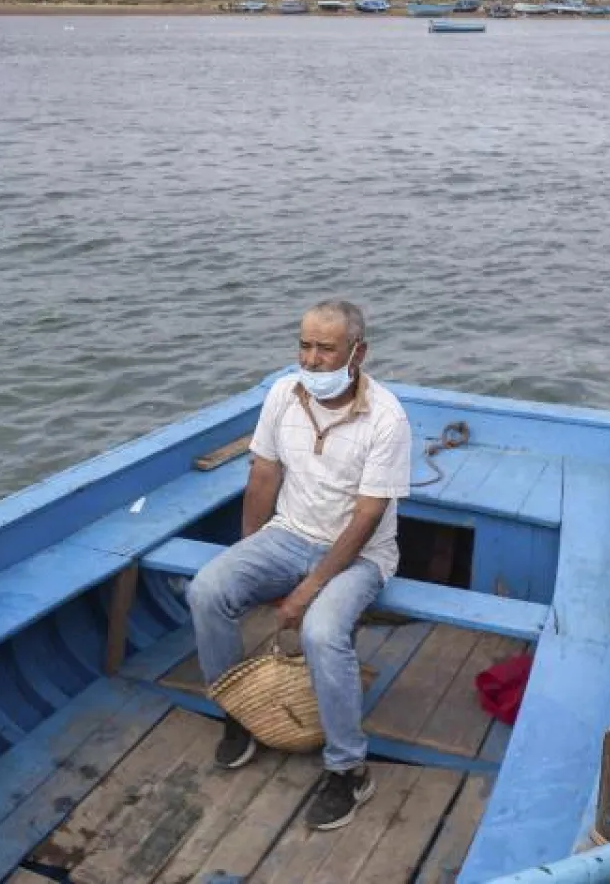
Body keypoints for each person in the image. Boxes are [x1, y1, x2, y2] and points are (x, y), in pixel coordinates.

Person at [186, 299, 412, 831]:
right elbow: (263, 476)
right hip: (287, 535)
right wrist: (249, 554)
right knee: (207, 590)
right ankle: (238, 711)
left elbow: (367, 517)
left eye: (325, 348)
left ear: (358, 353)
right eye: (304, 345)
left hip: (360, 555)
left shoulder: (388, 418)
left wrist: (308, 590)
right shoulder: (282, 394)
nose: (310, 359)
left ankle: (348, 769)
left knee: (322, 631)